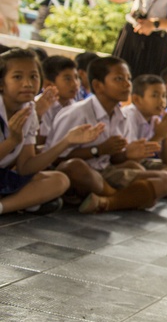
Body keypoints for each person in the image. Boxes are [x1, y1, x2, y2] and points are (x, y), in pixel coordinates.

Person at [46, 56, 167, 213]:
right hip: (83, 174)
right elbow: (56, 158)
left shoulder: (120, 116)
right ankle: (122, 198)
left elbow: (114, 159)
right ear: (98, 85)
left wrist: (127, 153)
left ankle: (105, 202)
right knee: (75, 167)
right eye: (119, 79)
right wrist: (98, 150)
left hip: (106, 172)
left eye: (128, 78)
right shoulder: (77, 113)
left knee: (166, 179)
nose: (127, 84)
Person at [0, 49, 101, 215]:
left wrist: (66, 141)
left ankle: (3, 207)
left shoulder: (29, 111)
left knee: (59, 180)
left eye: (33, 76)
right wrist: (12, 141)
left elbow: (25, 167)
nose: (27, 83)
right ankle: (25, 202)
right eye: (17, 77)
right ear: (1, 83)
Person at [122, 74, 167, 200]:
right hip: (125, 164)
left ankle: (159, 187)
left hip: (143, 165)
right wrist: (159, 135)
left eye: (164, 96)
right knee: (136, 168)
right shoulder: (128, 116)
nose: (162, 101)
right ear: (137, 99)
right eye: (155, 95)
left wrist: (165, 134)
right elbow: (132, 159)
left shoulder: (154, 117)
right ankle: (161, 187)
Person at [37, 56, 81, 145]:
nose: (75, 84)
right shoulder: (41, 106)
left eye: (76, 77)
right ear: (48, 84)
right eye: (67, 79)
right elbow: (40, 142)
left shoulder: (74, 105)